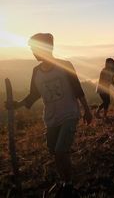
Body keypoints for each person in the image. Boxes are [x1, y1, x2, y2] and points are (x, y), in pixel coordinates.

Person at [7, 33, 92, 196]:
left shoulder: (65, 65)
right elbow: (33, 95)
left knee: (60, 151)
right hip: (51, 119)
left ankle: (68, 184)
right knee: (54, 152)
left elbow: (77, 89)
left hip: (69, 115)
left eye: (34, 48)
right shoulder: (36, 71)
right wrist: (16, 105)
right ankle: (64, 181)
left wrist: (87, 110)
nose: (32, 52)